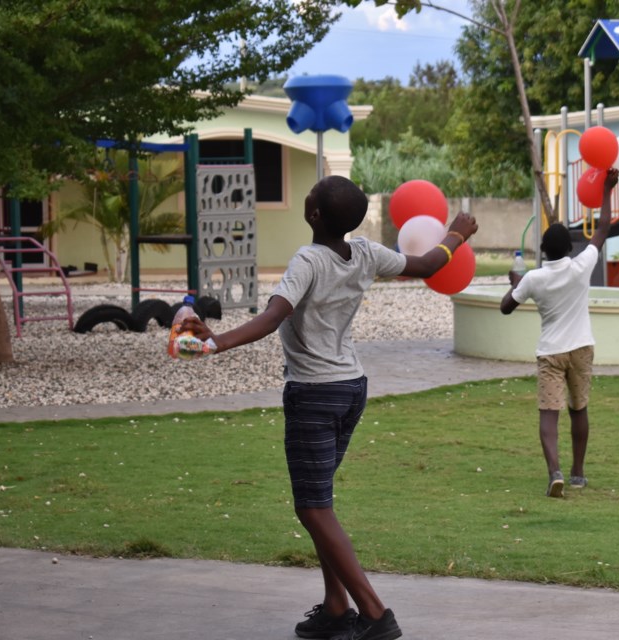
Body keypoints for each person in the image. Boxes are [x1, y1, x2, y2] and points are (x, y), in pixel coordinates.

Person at [182, 175, 478, 640]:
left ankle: (376, 613)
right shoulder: (364, 253)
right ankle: (336, 608)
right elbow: (425, 265)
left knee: (313, 508)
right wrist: (457, 234)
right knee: (321, 502)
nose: (307, 196)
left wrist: (214, 343)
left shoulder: (308, 261)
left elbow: (272, 316)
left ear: (314, 215)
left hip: (314, 394)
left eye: (311, 194)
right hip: (350, 389)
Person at [499, 168, 619, 499]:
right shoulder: (581, 267)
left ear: (543, 250)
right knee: (578, 410)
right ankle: (578, 473)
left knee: (548, 415)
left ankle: (555, 472)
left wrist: (516, 285)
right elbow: (604, 228)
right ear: (569, 248)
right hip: (581, 348)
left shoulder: (534, 279)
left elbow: (505, 307)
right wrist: (607, 189)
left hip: (550, 352)